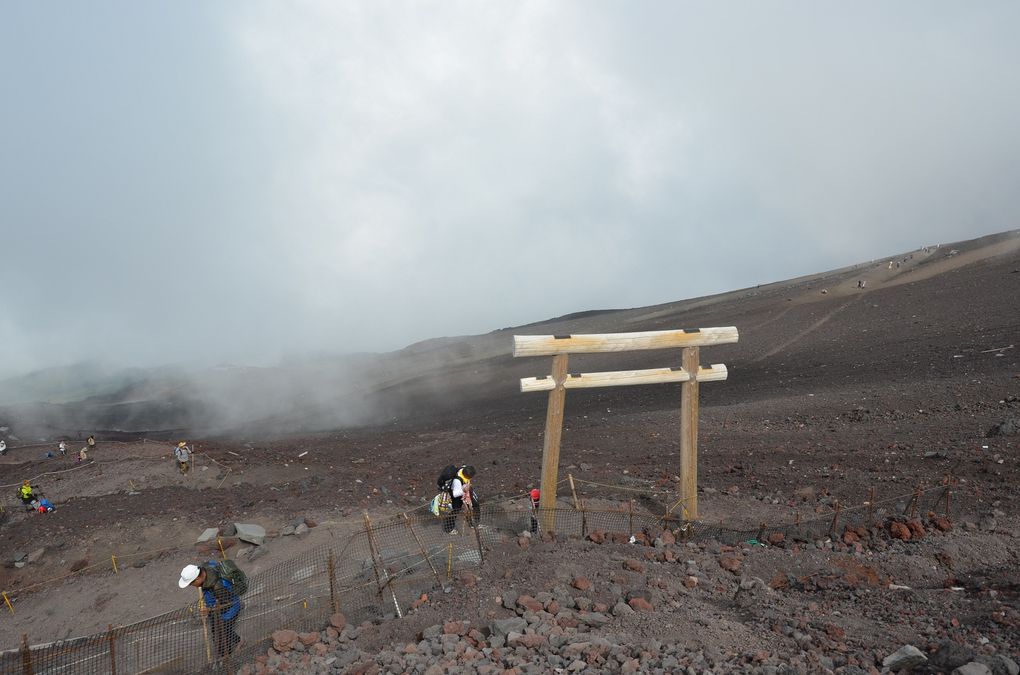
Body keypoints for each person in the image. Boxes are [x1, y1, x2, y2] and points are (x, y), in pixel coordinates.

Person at [179, 562, 243, 659]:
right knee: (217, 630)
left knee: (222, 636)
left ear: (197, 578)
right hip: (214, 607)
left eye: (192, 583)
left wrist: (209, 609)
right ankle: (238, 640)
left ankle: (226, 656)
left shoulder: (218, 586)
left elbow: (227, 604)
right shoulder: (206, 567)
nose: (192, 586)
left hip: (228, 612)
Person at [438, 465, 477, 535]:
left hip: (465, 491)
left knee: (474, 504)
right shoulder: (457, 481)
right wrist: (464, 490)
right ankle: (449, 528)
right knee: (455, 511)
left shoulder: (464, 468)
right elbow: (455, 494)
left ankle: (473, 523)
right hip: (456, 496)